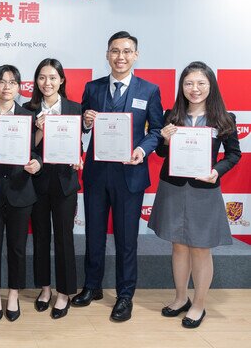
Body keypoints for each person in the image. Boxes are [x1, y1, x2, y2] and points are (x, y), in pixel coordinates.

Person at [72, 31, 164, 322]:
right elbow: (83, 128)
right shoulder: (93, 87)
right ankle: (92, 286)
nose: (120, 57)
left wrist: (142, 149)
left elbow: (157, 131)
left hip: (130, 175)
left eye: (126, 51)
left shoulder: (149, 90)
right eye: (115, 51)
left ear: (135, 55)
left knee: (127, 240)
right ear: (107, 54)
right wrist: (86, 123)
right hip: (97, 174)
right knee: (94, 235)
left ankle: (125, 295)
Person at [149, 61, 240, 328]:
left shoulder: (224, 118)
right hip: (173, 188)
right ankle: (180, 298)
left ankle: (199, 305)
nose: (195, 88)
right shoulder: (172, 115)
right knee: (178, 245)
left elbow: (233, 154)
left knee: (200, 249)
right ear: (182, 87)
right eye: (189, 83)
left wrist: (216, 170)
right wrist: (164, 141)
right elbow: (162, 155)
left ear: (211, 86)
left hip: (204, 190)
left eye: (201, 83)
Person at [0, 65, 41, 323]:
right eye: (2, 81)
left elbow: (39, 151)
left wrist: (37, 163)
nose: (7, 86)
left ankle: (14, 294)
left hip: (20, 189)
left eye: (12, 82)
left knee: (17, 247)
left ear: (19, 87)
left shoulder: (29, 114)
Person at [25, 59, 82, 319]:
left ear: (61, 80)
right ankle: (45, 289)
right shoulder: (28, 109)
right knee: (40, 237)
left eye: (52, 77)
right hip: (36, 182)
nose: (47, 83)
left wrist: (78, 157)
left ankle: (64, 292)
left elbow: (80, 145)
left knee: (64, 238)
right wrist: (37, 129)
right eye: (41, 78)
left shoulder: (75, 108)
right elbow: (27, 149)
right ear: (36, 81)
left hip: (64, 182)